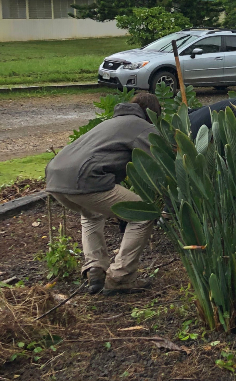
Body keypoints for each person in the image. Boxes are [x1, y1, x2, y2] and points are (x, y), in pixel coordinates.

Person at [44, 92, 162, 295]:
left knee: (91, 214)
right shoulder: (142, 126)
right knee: (144, 213)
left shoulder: (111, 123)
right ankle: (121, 277)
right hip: (85, 179)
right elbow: (160, 160)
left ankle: (96, 270)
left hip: (55, 177)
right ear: (152, 113)